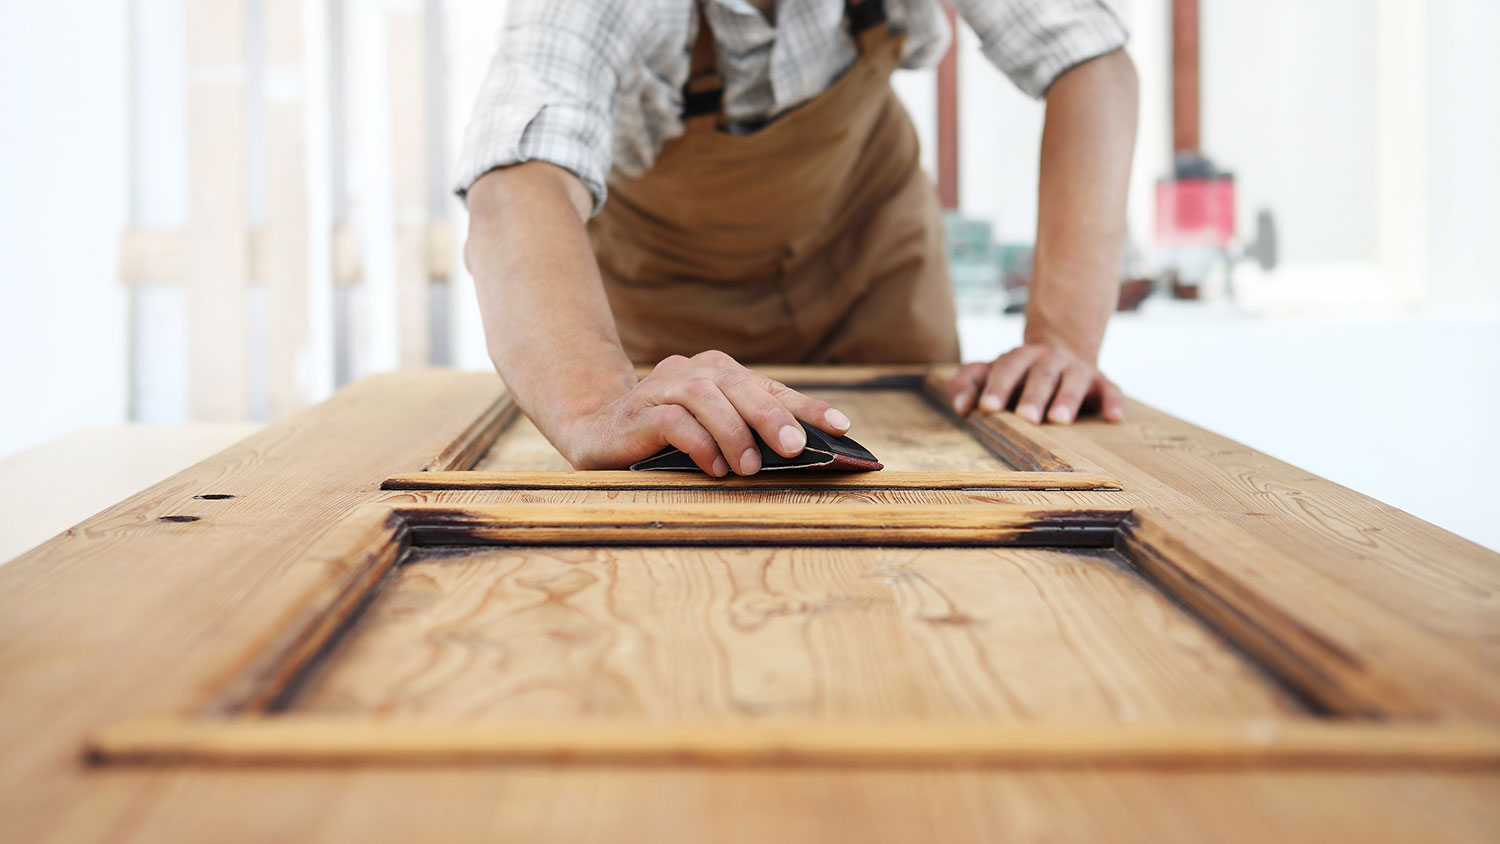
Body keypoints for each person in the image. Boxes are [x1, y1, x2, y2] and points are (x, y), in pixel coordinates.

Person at [458, 0, 1136, 476]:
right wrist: (594, 405)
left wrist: (1061, 343)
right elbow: (517, 183)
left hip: (872, 254)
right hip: (664, 290)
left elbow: (1090, 63)